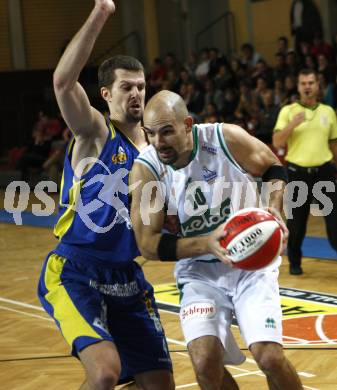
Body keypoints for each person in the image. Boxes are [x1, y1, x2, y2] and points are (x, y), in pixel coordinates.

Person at [37, 1, 174, 389]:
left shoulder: (155, 149)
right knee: (104, 373)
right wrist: (101, 12)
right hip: (77, 271)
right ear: (106, 94)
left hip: (128, 278)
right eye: (126, 87)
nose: (136, 94)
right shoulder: (96, 131)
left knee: (161, 384)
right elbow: (63, 83)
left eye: (142, 87)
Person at [130, 90, 303, 389]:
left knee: (270, 358)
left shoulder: (225, 138)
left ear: (187, 124)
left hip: (251, 263)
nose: (159, 142)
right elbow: (148, 245)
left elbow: (273, 166)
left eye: (167, 131)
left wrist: (275, 206)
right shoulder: (147, 169)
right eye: (151, 134)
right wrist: (206, 243)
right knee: (205, 363)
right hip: (199, 272)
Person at [273, 68, 337, 275]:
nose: (307, 87)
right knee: (297, 224)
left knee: (334, 221)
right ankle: (294, 262)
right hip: (297, 173)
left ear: (318, 86)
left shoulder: (328, 112)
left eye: (311, 83)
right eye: (303, 83)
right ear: (298, 87)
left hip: (324, 173)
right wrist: (292, 124)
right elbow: (277, 142)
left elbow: (334, 144)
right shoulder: (287, 111)